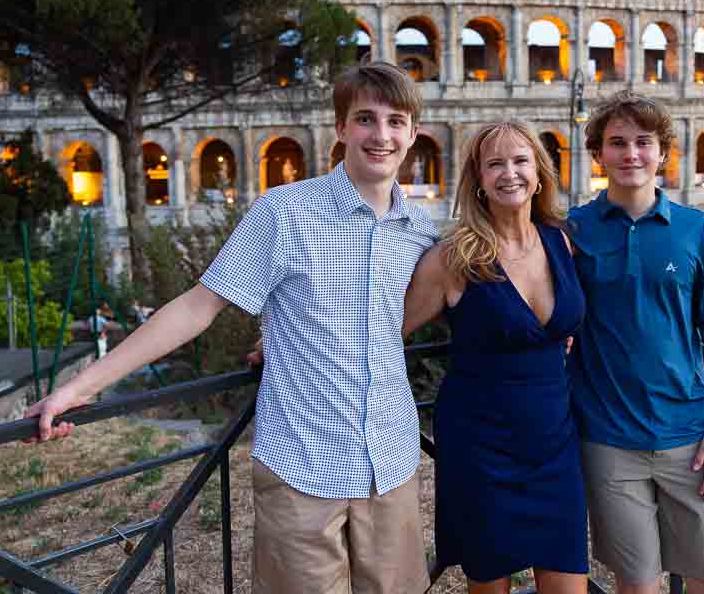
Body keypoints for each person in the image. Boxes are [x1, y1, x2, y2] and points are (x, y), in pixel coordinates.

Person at [24, 62, 438, 594]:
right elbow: (198, 307)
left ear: (411, 134)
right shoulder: (285, 212)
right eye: (365, 119)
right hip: (303, 469)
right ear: (340, 129)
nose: (381, 135)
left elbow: (417, 307)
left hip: (392, 464)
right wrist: (80, 387)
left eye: (396, 121)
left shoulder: (419, 230)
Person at [567, 92, 704, 594]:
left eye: (643, 143)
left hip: (689, 436)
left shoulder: (694, 229)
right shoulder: (575, 231)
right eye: (617, 143)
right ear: (598, 153)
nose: (630, 154)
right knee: (637, 584)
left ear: (663, 152)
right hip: (608, 438)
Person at [404, 120, 588, 594]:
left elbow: (564, 325)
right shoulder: (453, 258)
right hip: (481, 446)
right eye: (495, 164)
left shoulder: (559, 241)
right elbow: (381, 332)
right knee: (489, 584)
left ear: (540, 172)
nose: (510, 173)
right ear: (478, 178)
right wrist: (287, 340)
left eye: (521, 160)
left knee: (568, 581)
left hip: (554, 440)